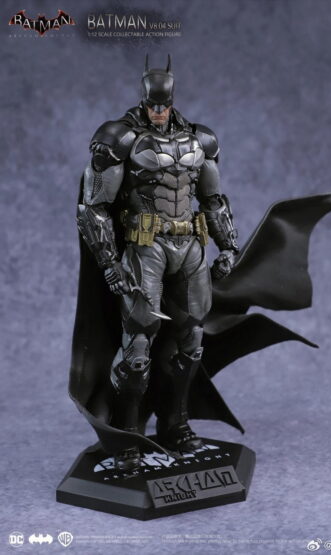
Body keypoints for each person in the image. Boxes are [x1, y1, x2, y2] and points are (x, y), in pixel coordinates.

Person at [76, 55, 239, 470]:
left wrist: (229, 246)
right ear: (144, 100)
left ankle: (175, 423)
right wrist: (108, 261)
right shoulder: (120, 138)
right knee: (137, 345)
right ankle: (127, 434)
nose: (159, 111)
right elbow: (94, 207)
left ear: (173, 100)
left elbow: (213, 200)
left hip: (190, 246)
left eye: (164, 104)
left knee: (192, 341)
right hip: (145, 247)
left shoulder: (201, 140)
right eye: (153, 104)